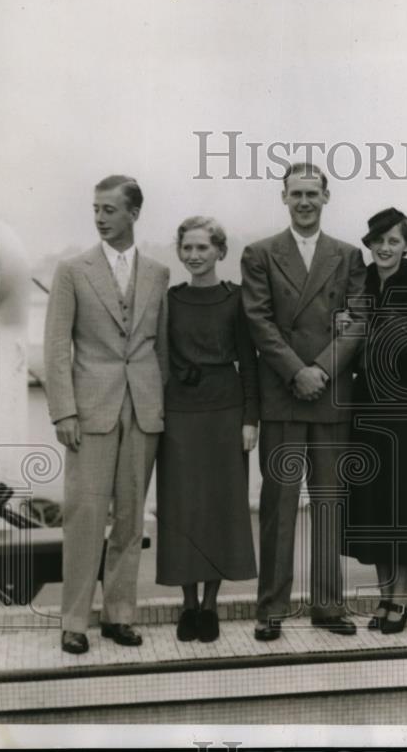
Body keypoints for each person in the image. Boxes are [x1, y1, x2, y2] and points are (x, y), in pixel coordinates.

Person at [44, 175, 169, 654]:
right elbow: (57, 347)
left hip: (143, 411)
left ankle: (120, 616)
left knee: (132, 521)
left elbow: (158, 348)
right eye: (96, 208)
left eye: (110, 209)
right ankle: (74, 621)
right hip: (89, 412)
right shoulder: (72, 271)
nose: (99, 217)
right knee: (85, 516)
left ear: (134, 212)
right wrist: (63, 413)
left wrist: (159, 409)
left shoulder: (158, 273)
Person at [240, 162, 366, 641]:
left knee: (330, 504)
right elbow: (259, 322)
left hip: (330, 395)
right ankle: (270, 608)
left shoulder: (349, 255)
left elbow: (356, 320)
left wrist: (322, 370)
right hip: (284, 396)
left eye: (313, 193)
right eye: (297, 194)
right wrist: (298, 371)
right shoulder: (260, 253)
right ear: (284, 197)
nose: (305, 201)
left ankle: (329, 607)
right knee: (279, 505)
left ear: (327, 197)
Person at [155, 216, 260, 643]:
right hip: (178, 413)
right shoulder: (169, 300)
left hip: (226, 411)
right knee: (181, 508)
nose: (194, 256)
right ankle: (187, 605)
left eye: (203, 248)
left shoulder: (236, 299)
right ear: (179, 252)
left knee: (221, 508)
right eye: (188, 248)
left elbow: (250, 362)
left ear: (220, 251)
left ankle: (211, 606)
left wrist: (251, 419)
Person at [345, 207, 407, 635]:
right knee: (373, 506)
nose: (385, 248)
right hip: (363, 407)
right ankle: (385, 594)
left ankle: (402, 599)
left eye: (393, 240)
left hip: (404, 409)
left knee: (402, 505)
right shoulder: (357, 286)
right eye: (378, 241)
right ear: (368, 244)